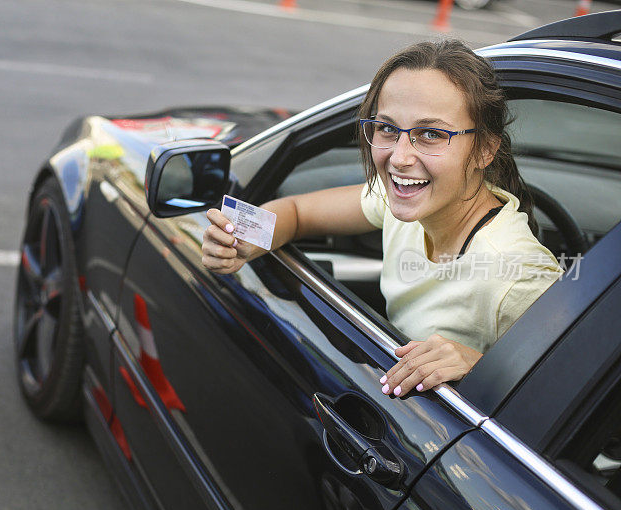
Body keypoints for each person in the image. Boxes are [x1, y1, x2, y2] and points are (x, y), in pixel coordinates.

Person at [201, 40, 564, 397]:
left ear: (485, 148)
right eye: (388, 128)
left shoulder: (517, 276)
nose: (400, 158)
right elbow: (296, 213)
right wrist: (242, 238)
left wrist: (481, 365)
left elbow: (576, 394)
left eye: (432, 134)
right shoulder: (407, 200)